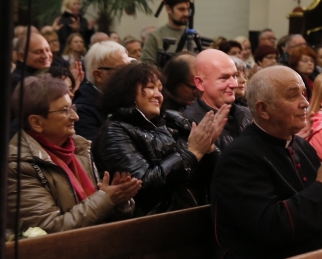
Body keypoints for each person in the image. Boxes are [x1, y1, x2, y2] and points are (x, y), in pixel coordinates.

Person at [211, 66, 322, 259]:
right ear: (263, 109)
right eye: (292, 95)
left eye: (303, 94)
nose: (305, 103)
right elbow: (271, 229)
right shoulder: (239, 158)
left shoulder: (302, 146)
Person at [8, 75, 139, 233]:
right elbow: (50, 228)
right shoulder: (18, 166)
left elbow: (102, 208)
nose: (75, 117)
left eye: (72, 108)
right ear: (37, 122)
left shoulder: (80, 148)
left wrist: (119, 201)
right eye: (65, 111)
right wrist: (106, 199)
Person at [94, 62, 227, 216]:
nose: (158, 95)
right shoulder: (114, 131)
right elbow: (143, 184)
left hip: (195, 213)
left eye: (160, 89)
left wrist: (210, 148)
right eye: (151, 87)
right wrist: (192, 153)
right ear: (127, 90)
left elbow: (215, 173)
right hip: (152, 224)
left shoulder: (174, 120)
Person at [184, 49, 251, 152]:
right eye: (224, 78)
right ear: (200, 83)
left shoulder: (249, 114)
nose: (234, 84)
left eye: (234, 76)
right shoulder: (188, 124)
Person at [73, 41, 132, 142]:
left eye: (130, 68)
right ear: (98, 75)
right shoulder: (83, 111)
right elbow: (98, 152)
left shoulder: (126, 97)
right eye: (122, 69)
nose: (130, 74)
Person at [141, 0, 191, 66]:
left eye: (188, 9)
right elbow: (147, 66)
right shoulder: (155, 36)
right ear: (168, 9)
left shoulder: (194, 36)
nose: (186, 14)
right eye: (181, 9)